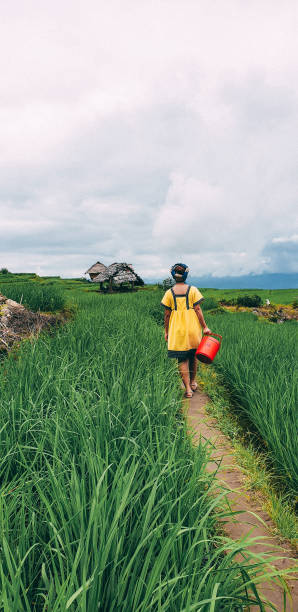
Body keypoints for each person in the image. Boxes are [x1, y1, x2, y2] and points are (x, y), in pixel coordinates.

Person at [161, 263, 211, 398]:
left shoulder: (169, 293)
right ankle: (193, 382)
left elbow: (167, 315)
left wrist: (166, 331)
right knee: (193, 356)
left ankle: (188, 389)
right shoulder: (193, 290)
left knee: (182, 359)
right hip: (193, 328)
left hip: (177, 330)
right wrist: (205, 327)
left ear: (173, 275)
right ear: (186, 274)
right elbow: (198, 309)